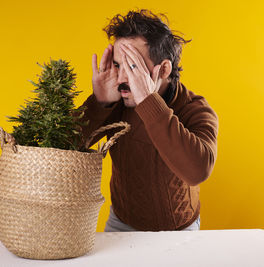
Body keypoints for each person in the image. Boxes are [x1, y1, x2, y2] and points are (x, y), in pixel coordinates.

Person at [78, 9, 219, 232]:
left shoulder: (196, 109)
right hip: (121, 223)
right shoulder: (117, 101)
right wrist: (100, 103)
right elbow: (64, 149)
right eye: (117, 65)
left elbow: (197, 172)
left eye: (133, 66)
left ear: (163, 69)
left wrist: (148, 101)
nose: (122, 78)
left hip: (180, 229)